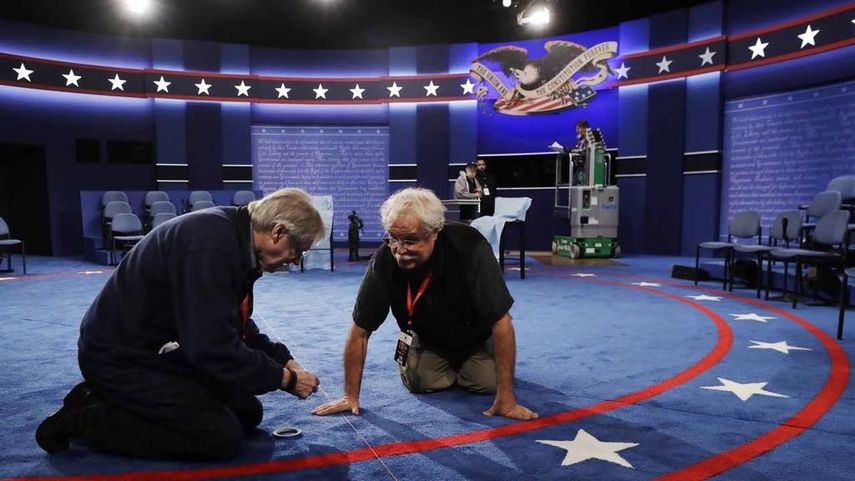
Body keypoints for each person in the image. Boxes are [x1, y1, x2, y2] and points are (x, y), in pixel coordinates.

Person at [36, 188, 325, 461]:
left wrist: (285, 361)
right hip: (120, 359)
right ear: (278, 232)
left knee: (247, 411)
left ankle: (114, 401)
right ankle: (87, 416)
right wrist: (283, 379)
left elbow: (235, 324)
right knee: (220, 437)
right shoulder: (211, 248)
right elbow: (212, 349)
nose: (296, 260)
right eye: (298, 250)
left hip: (156, 349)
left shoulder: (233, 237)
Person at [312, 188, 537, 421]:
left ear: (435, 231)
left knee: (488, 384)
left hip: (475, 338)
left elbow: (502, 320)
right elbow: (360, 331)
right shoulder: (384, 260)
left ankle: (472, 365)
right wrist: (350, 396)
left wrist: (507, 399)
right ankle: (440, 365)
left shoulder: (470, 247)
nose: (400, 250)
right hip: (427, 339)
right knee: (422, 383)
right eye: (393, 238)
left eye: (410, 240)